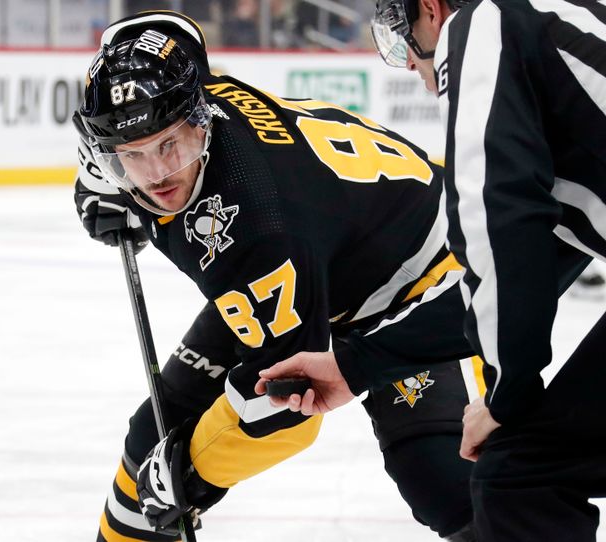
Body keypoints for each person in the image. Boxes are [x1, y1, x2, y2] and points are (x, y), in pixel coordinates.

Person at [75, 11, 484, 542]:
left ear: (201, 119)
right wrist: (96, 181)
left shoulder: (260, 229)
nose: (156, 176)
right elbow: (150, 41)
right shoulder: (189, 91)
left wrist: (193, 477)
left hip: (412, 276)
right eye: (130, 157)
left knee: (443, 481)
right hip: (316, 258)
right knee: (154, 431)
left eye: (168, 147)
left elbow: (288, 406)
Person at [264, 0, 606, 539]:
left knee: (523, 473)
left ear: (431, 9)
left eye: (401, 36)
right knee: (533, 463)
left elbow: (498, 217)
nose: (406, 62)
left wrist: (506, 394)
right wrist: (356, 365)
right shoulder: (560, 29)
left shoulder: (484, 21)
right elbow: (535, 258)